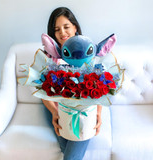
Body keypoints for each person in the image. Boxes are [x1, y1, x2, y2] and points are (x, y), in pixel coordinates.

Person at [42, 7, 102, 160]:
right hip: (57, 106)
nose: (62, 32)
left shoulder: (87, 51)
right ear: (53, 34)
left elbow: (99, 87)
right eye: (57, 29)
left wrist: (98, 113)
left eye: (66, 27)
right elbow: (43, 90)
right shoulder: (49, 57)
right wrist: (54, 112)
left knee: (71, 154)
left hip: (85, 108)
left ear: (75, 27)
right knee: (66, 145)